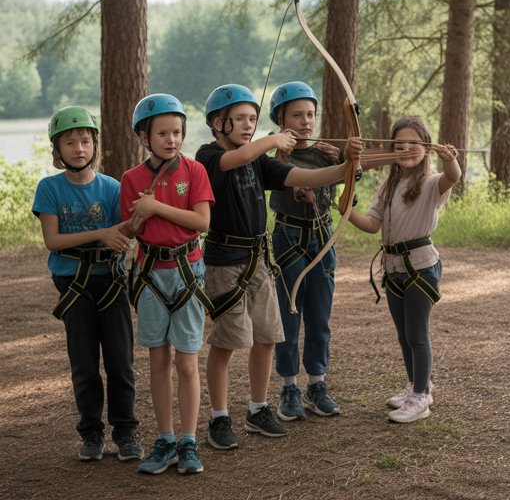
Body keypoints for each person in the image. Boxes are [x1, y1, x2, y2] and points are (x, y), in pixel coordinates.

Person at [195, 84, 360, 450]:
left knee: (268, 336)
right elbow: (235, 159)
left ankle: (257, 409)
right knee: (226, 342)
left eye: (252, 119)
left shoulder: (259, 158)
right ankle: (219, 417)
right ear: (217, 123)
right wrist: (272, 140)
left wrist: (347, 165)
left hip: (258, 260)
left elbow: (304, 177)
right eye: (238, 119)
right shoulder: (207, 156)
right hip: (224, 261)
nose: (247, 125)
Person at [32, 106, 140, 463]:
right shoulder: (50, 188)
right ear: (57, 150)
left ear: (95, 144)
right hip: (74, 283)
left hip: (110, 281)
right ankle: (91, 432)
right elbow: (53, 240)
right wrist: (101, 234)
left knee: (121, 361)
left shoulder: (112, 187)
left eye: (85, 141)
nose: (79, 148)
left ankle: (125, 431)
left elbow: (123, 231)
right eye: (70, 142)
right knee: (84, 362)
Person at [121, 93, 214, 475]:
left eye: (177, 132)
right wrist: (139, 217)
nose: (171, 139)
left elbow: (202, 222)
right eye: (162, 133)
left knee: (187, 362)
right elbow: (128, 229)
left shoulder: (194, 172)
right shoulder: (131, 179)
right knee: (157, 359)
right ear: (145, 135)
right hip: (149, 273)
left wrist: (155, 206)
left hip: (188, 271)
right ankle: (165, 438)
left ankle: (189, 441)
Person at [348, 116, 462, 423]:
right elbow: (372, 226)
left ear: (426, 147)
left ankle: (421, 398)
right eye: (399, 145)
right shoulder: (389, 185)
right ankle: (415, 385)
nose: (407, 149)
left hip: (421, 267)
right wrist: (345, 209)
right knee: (403, 334)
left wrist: (450, 160)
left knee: (417, 335)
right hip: (393, 268)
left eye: (414, 143)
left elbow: (453, 176)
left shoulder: (431, 183)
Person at [267, 81, 347, 420]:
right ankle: (289, 386)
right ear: (280, 118)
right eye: (297, 115)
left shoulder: (327, 152)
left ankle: (317, 383)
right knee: (289, 314)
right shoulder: (275, 159)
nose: (305, 121)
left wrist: (354, 154)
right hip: (289, 237)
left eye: (310, 114)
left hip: (322, 236)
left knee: (320, 313)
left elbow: (359, 164)